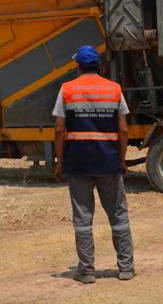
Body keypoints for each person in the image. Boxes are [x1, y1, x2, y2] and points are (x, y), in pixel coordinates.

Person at [53, 45, 135, 284]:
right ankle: (126, 268)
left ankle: (87, 271)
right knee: (118, 216)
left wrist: (60, 162)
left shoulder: (67, 90)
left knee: (82, 220)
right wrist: (121, 160)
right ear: (99, 65)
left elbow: (59, 129)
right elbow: (123, 129)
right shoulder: (114, 89)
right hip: (109, 162)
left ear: (78, 65)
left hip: (78, 164)